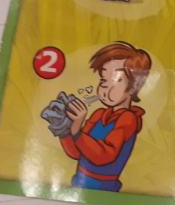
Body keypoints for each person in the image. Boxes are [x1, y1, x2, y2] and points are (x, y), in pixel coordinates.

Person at [45, 42, 152, 192]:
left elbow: (104, 155)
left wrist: (76, 130)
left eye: (117, 79)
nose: (106, 87)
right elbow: (76, 153)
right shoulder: (99, 114)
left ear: (134, 86)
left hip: (105, 189)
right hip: (79, 183)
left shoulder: (129, 119)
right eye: (103, 80)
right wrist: (64, 129)